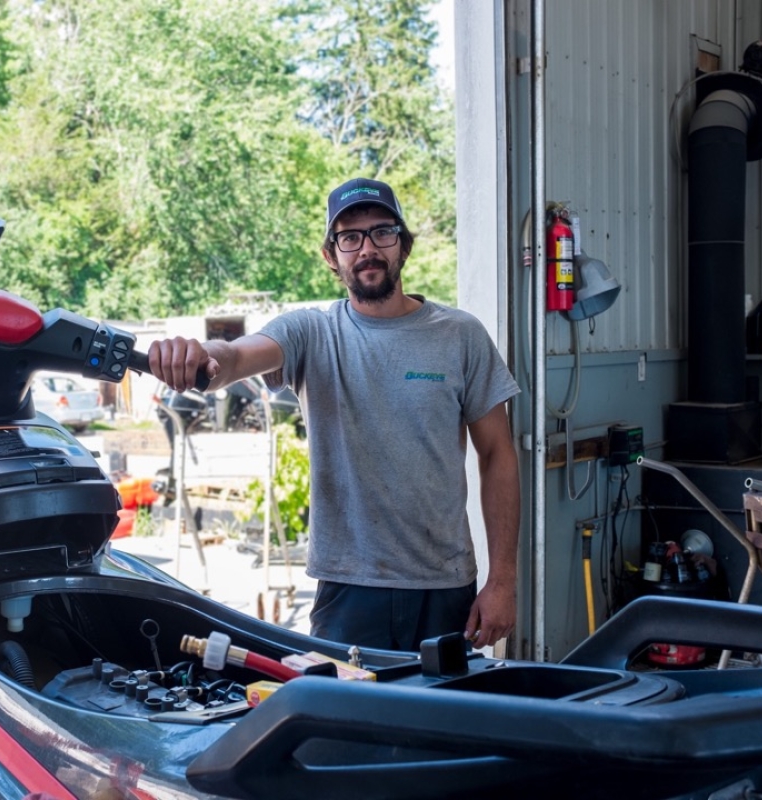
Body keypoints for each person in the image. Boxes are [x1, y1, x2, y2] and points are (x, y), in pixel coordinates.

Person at [146, 177, 521, 651]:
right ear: (331, 255)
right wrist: (202, 356)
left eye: (382, 232)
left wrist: (502, 581)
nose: (367, 248)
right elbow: (237, 356)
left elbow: (498, 456)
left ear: (403, 244)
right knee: (345, 724)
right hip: (347, 593)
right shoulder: (312, 332)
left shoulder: (461, 336)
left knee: (441, 723)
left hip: (444, 588)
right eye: (350, 237)